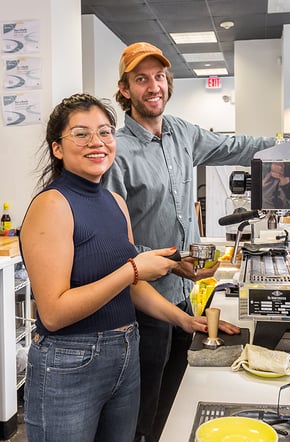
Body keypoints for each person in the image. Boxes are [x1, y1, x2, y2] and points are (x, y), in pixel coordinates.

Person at [19, 93, 239, 442]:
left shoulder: (115, 202)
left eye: (105, 132)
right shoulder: (52, 205)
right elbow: (55, 312)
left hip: (125, 351)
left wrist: (184, 320)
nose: (97, 142)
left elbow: (130, 286)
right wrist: (134, 269)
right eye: (81, 133)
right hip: (69, 361)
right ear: (57, 148)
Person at [102, 42, 276, 442]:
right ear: (125, 89)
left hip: (184, 292)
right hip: (143, 299)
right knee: (145, 401)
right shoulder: (117, 150)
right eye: (141, 78)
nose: (153, 86)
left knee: (177, 393)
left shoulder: (183, 132)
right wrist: (168, 261)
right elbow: (114, 239)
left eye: (159, 76)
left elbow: (236, 146)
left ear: (169, 82)